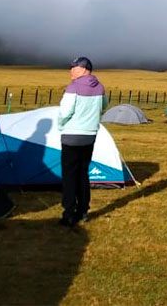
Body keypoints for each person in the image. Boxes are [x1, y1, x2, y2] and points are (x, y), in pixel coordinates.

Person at [58, 56, 105, 227]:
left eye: (75, 68)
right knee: (83, 173)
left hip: (71, 135)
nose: (71, 70)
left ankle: (69, 214)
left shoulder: (73, 87)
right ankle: (83, 211)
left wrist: (60, 125)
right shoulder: (100, 87)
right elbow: (103, 105)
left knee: (69, 175)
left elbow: (65, 112)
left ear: (85, 69)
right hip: (90, 135)